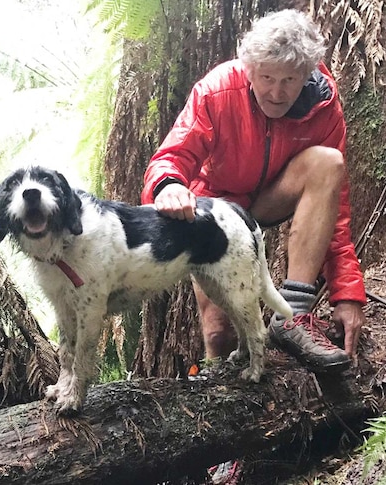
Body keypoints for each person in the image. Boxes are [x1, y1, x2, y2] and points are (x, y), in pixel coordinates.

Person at [141, 9, 366, 372]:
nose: (276, 92)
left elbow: (335, 209)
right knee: (219, 334)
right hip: (216, 210)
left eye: (289, 80)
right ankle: (217, 392)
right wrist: (169, 186)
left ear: (307, 74)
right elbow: (172, 156)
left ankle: (293, 315)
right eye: (267, 77)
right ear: (249, 69)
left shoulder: (323, 106)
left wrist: (348, 293)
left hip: (270, 198)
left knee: (328, 163)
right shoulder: (217, 90)